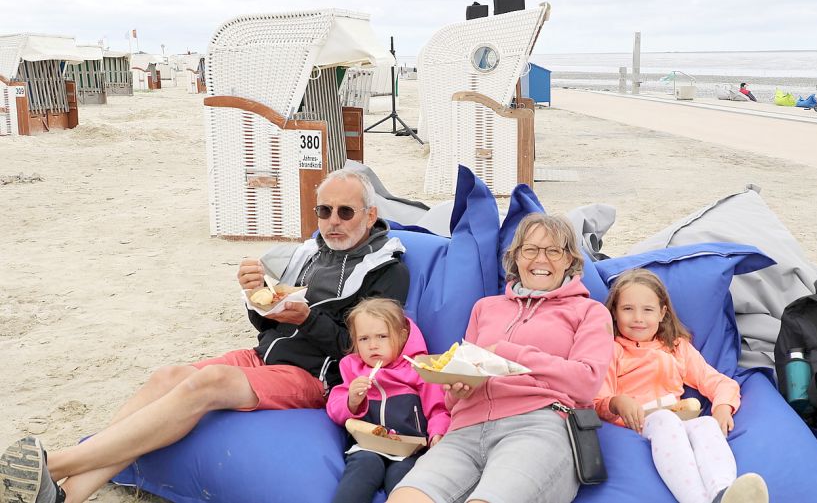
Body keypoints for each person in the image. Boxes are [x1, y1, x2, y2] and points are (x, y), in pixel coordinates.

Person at [0, 169, 410, 503]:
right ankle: (67, 495)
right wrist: (258, 299)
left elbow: (363, 349)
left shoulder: (387, 269)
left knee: (208, 383)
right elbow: (269, 327)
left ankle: (56, 463)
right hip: (264, 355)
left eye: (345, 212)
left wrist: (304, 320)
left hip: (314, 377)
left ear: (369, 216)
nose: (333, 221)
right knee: (167, 377)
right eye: (325, 211)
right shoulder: (310, 253)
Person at [388, 213, 614, 503]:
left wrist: (510, 352)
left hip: (537, 427)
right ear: (516, 257)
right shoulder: (485, 308)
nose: (540, 260)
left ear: (570, 259)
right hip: (466, 429)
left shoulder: (589, 312)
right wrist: (458, 388)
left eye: (553, 251)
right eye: (530, 249)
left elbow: (587, 382)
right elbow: (457, 391)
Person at [593, 269, 768, 503]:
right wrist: (616, 402)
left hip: (677, 418)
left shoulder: (676, 348)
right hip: (635, 424)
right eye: (627, 309)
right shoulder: (612, 350)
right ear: (614, 312)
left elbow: (717, 381)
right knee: (664, 420)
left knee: (705, 423)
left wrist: (722, 407)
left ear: (662, 313)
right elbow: (597, 401)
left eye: (647, 310)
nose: (638, 318)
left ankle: (723, 493)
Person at [327, 298, 450, 503]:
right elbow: (335, 409)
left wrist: (438, 434)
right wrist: (352, 401)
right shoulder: (353, 369)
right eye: (364, 339)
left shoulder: (420, 369)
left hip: (410, 449)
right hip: (368, 446)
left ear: (402, 337)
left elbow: (438, 408)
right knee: (362, 467)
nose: (373, 345)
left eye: (382, 336)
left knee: (403, 479)